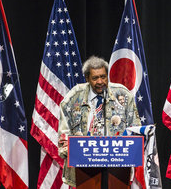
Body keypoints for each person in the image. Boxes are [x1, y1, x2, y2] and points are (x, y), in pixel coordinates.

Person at [58, 55, 141, 187]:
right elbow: (64, 133)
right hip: (83, 169)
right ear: (87, 78)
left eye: (103, 77)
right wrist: (71, 150)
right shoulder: (73, 97)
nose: (100, 81)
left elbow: (136, 129)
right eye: (95, 78)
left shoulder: (122, 95)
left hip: (117, 167)